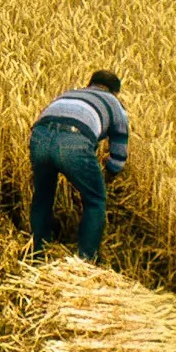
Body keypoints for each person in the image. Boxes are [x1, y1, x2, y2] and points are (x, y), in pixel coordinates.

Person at [28, 69, 129, 261]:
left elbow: (41, 121)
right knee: (95, 200)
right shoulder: (115, 104)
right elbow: (118, 156)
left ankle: (37, 253)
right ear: (114, 92)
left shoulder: (70, 93)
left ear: (90, 84)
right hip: (74, 141)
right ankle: (86, 260)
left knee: (42, 196)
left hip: (39, 137)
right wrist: (106, 176)